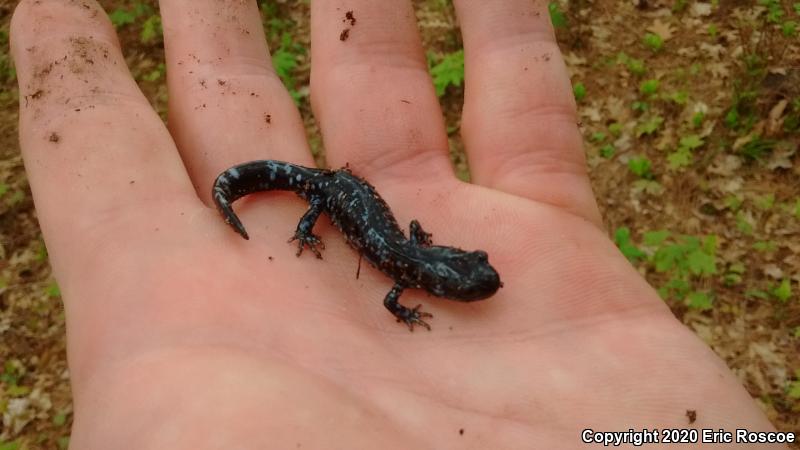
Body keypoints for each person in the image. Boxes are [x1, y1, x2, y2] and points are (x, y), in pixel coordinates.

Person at [10, 1, 782, 448]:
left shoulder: (411, 262)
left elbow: (402, 264)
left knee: (330, 202)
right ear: (434, 278)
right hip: (332, 191)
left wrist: (401, 261)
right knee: (301, 193)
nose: (483, 278)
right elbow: (393, 282)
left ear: (441, 275)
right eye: (475, 278)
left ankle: (281, 202)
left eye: (473, 278)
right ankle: (243, 198)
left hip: (347, 192)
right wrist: (322, 227)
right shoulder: (407, 269)